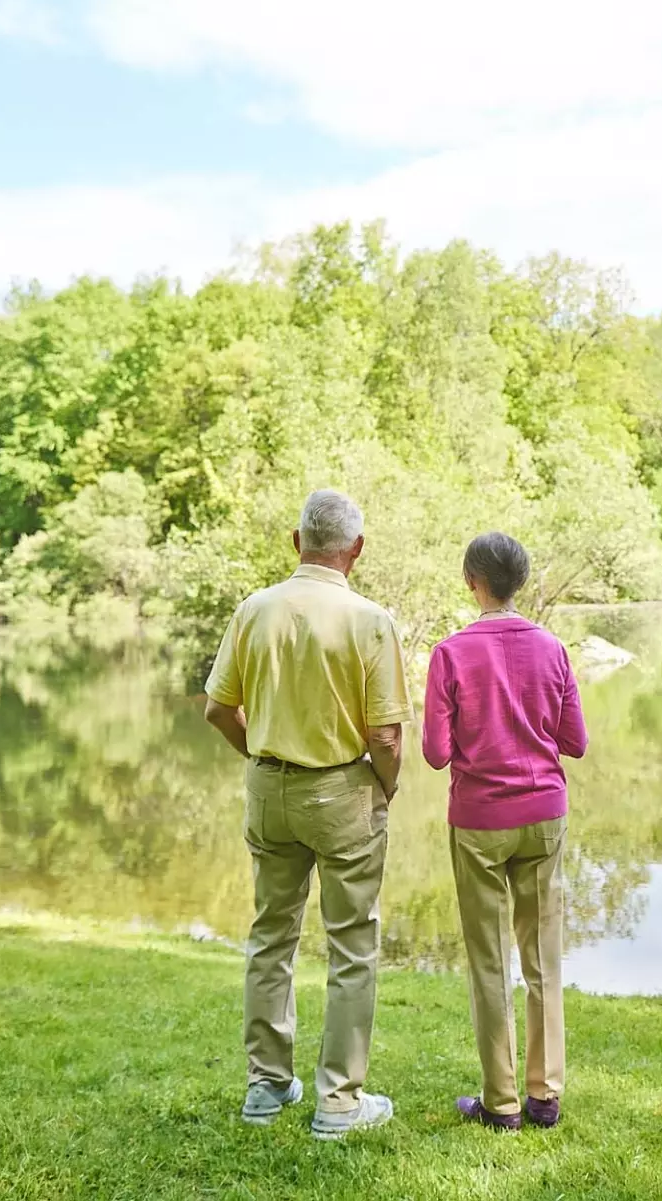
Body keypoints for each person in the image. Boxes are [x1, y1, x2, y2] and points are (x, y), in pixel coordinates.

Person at [201, 488, 409, 1142]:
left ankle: (266, 1086)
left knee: (271, 935)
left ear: (297, 541)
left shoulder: (253, 610)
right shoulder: (370, 618)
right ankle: (338, 1101)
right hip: (344, 790)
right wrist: (386, 786)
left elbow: (217, 708)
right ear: (357, 549)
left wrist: (260, 758)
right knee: (351, 944)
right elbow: (387, 736)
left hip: (268, 787)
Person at [422, 531, 588, 1132]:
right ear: (519, 582)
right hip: (544, 817)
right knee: (543, 957)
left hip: (480, 822)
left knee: (490, 962)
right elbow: (576, 742)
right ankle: (546, 1096)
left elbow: (436, 754)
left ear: (472, 581)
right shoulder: (553, 648)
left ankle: (503, 1103)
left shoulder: (450, 653)